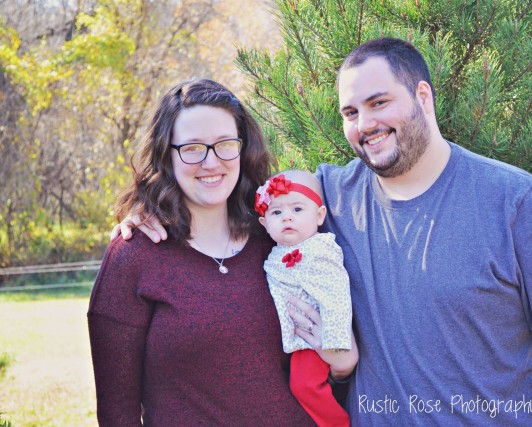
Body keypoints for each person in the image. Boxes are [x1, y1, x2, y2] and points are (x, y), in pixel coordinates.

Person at [113, 38, 532, 426]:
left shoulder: (515, 202)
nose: (365, 123)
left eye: (379, 103)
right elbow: (223, 191)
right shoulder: (330, 197)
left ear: (423, 96)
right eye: (351, 113)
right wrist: (149, 210)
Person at [88, 78, 357, 426]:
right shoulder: (136, 255)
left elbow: (323, 378)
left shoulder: (280, 240)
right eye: (192, 148)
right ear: (167, 155)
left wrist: (342, 369)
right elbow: (117, 412)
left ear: (243, 149)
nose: (211, 162)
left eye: (225, 144)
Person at [255, 169, 352, 427]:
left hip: (317, 339)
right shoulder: (276, 252)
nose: (287, 217)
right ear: (264, 223)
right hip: (294, 340)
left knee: (304, 386)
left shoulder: (319, 250)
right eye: (276, 212)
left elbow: (336, 293)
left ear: (319, 216)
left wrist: (336, 343)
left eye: (297, 209)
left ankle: (338, 424)